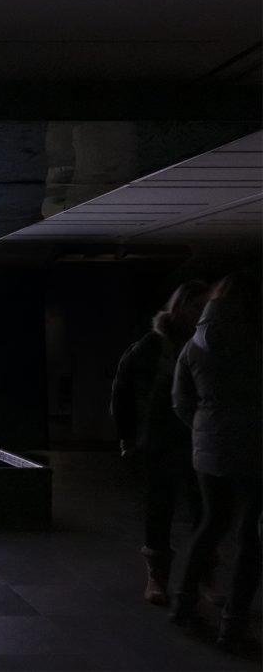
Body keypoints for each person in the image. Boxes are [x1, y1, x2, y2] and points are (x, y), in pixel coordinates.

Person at [169, 271, 262, 651]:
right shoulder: (255, 338)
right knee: (252, 537)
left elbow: (181, 400)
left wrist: (203, 431)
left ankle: (183, 602)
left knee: (211, 523)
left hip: (209, 447)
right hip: (257, 446)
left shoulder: (194, 344)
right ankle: (232, 624)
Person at [110, 280, 209, 604]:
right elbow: (123, 392)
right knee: (161, 507)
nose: (200, 313)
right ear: (179, 308)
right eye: (195, 306)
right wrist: (128, 435)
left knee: (204, 510)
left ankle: (204, 574)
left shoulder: (205, 343)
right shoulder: (152, 346)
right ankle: (160, 575)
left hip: (198, 437)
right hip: (162, 440)